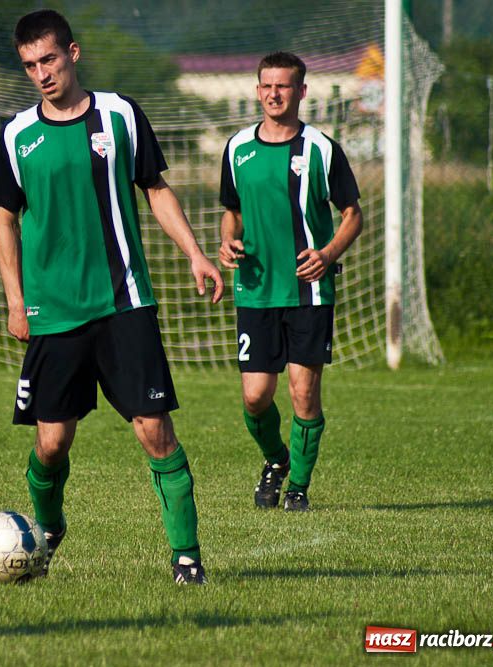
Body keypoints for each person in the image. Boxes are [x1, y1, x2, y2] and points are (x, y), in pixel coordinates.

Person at [0, 10, 223, 585]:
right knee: (51, 443)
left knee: (154, 430)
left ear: (73, 53)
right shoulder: (17, 134)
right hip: (52, 311)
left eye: (49, 59)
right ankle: (46, 531)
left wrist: (194, 252)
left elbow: (155, 189)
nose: (41, 73)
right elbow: (5, 220)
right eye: (30, 65)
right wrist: (15, 301)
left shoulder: (120, 115)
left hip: (123, 301)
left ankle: (186, 557)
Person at [217, 51, 363, 512]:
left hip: (308, 291)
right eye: (267, 86)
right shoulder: (237, 147)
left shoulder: (321, 148)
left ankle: (298, 486)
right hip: (256, 289)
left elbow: (352, 215)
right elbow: (232, 212)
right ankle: (277, 460)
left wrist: (327, 255)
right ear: (257, 90)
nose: (273, 94)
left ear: (301, 91)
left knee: (303, 393)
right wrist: (227, 242)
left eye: (283, 86)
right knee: (255, 397)